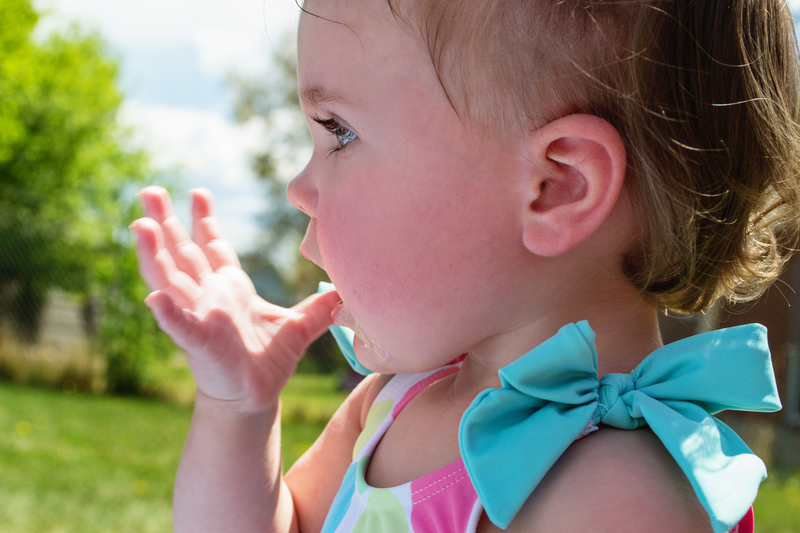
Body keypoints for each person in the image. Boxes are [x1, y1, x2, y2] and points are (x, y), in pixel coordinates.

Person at [130, 1, 800, 532]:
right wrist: (238, 411)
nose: (297, 188)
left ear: (556, 186)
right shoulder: (396, 400)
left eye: (339, 130)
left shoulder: (617, 493)